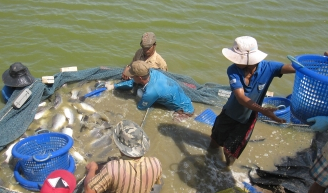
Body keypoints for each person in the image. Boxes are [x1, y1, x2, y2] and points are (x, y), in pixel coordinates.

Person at [209, 36, 295, 167]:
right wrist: (265, 111)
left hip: (247, 119)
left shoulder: (269, 68)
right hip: (229, 113)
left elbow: (295, 68)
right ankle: (208, 163)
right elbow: (241, 98)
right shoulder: (233, 70)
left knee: (230, 152)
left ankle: (226, 170)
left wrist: (319, 63)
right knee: (215, 141)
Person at [84, 120, 163, 193]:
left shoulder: (112, 167)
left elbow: (88, 192)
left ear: (120, 148)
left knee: (102, 181)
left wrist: (92, 169)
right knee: (160, 182)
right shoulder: (155, 163)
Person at [108, 60, 194, 118]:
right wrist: (114, 86)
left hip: (184, 111)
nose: (130, 77)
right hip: (178, 96)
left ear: (140, 78)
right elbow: (133, 81)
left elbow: (140, 108)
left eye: (132, 76)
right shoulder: (151, 72)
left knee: (139, 93)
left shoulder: (150, 92)